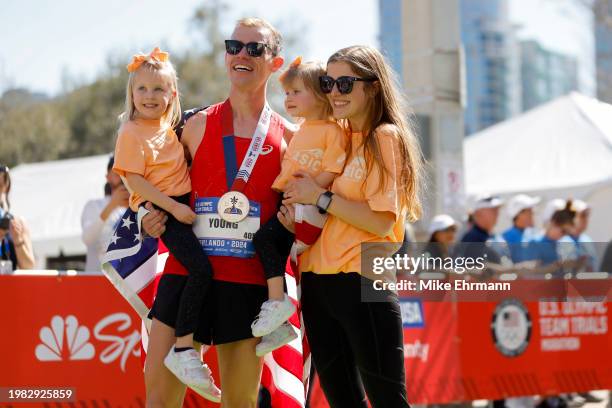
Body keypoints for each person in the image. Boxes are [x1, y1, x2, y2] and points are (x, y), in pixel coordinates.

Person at [141, 18, 293, 408]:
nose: (242, 54)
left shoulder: (289, 137)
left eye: (254, 48)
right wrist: (147, 215)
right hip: (187, 273)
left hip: (246, 281)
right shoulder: (193, 125)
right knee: (159, 397)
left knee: (240, 401)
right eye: (234, 46)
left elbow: (298, 214)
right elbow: (148, 182)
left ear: (275, 63)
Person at [281, 45, 422, 407]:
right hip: (315, 280)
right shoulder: (336, 135)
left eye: (345, 83)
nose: (334, 93)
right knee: (342, 401)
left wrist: (320, 197)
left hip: (362, 279)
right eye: (328, 83)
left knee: (387, 400)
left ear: (372, 87)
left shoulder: (384, 137)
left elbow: (380, 221)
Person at [111, 47, 219, 401]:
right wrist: (173, 208)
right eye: (142, 89)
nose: (149, 97)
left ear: (172, 93)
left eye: (158, 89)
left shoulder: (170, 128)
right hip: (171, 211)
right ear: (131, 93)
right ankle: (185, 350)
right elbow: (134, 182)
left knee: (199, 271)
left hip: (184, 206)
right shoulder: (130, 131)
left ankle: (188, 346)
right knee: (201, 270)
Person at [251, 56, 346, 355]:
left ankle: (278, 304)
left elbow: (334, 168)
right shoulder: (301, 128)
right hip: (290, 199)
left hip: (306, 204)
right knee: (273, 252)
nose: (288, 98)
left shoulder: (332, 131)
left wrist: (311, 190)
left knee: (265, 240)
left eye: (296, 92)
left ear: (319, 95)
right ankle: (282, 324)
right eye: (287, 93)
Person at [81, 155, 129, 272]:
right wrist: (112, 205)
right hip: (97, 279)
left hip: (127, 281)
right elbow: (88, 238)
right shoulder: (93, 205)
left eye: (125, 173)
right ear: (107, 177)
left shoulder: (138, 207)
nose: (121, 177)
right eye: (116, 173)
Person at [0, 164, 35, 271]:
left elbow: (29, 267)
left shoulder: (17, 223)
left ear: (6, 187)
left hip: (10, 286)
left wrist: (18, 241)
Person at [502, 194, 540, 263]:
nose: (532, 214)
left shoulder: (534, 233)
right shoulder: (506, 238)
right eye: (529, 211)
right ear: (518, 214)